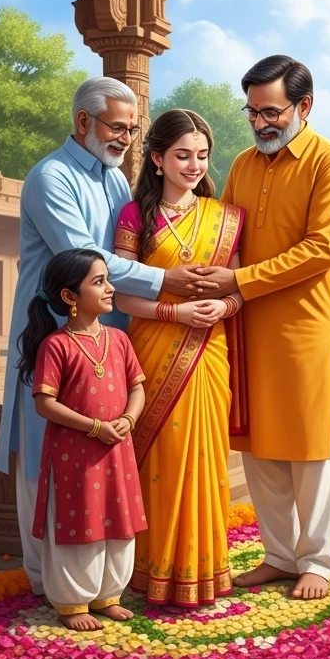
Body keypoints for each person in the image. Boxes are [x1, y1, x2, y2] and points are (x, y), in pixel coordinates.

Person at [0, 77, 216, 596]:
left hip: (112, 335)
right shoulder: (51, 178)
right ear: (82, 123)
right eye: (117, 127)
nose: (125, 139)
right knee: (47, 446)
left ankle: (98, 582)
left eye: (131, 130)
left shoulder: (116, 181)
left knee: (102, 453)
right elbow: (84, 260)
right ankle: (44, 580)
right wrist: (167, 282)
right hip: (55, 330)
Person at [205, 55, 330, 601]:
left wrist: (238, 281)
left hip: (308, 330)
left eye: (270, 111)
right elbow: (222, 233)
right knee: (260, 445)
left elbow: (320, 251)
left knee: (313, 451)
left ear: (304, 106)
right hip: (249, 327)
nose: (260, 122)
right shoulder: (243, 164)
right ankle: (279, 554)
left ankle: (317, 560)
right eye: (251, 112)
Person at [111, 108, 247, 608]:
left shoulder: (226, 217)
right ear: (156, 158)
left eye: (202, 156)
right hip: (155, 348)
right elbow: (124, 299)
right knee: (159, 460)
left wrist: (224, 304)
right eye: (182, 155)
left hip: (208, 354)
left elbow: (236, 288)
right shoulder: (134, 217)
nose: (194, 166)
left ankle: (203, 573)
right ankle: (149, 573)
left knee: (205, 459)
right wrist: (177, 312)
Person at [15, 248, 147, 630]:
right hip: (75, 453)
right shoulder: (56, 345)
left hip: (117, 448)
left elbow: (137, 388)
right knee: (80, 518)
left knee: (117, 517)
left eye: (108, 279)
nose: (110, 288)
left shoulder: (119, 340)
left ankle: (108, 593)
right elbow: (45, 404)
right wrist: (94, 427)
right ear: (70, 297)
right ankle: (73, 601)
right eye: (99, 281)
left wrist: (128, 419)